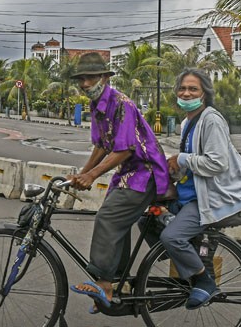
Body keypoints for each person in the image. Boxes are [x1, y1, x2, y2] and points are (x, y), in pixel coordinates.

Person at [65, 52, 171, 312]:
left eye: (90, 78)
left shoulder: (122, 104)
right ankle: (119, 283)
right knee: (116, 222)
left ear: (104, 77)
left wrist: (92, 175)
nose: (85, 84)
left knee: (108, 218)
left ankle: (104, 283)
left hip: (145, 172)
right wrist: (82, 173)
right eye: (81, 79)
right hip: (127, 174)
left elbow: (125, 149)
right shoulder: (97, 106)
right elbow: (102, 146)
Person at [161, 68, 241, 309]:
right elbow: (190, 162)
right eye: (182, 88)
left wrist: (181, 159)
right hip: (189, 193)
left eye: (193, 89)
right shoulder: (188, 122)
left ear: (204, 93)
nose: (186, 93)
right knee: (148, 221)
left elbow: (217, 163)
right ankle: (187, 265)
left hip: (207, 198)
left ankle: (204, 281)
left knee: (172, 236)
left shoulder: (211, 120)